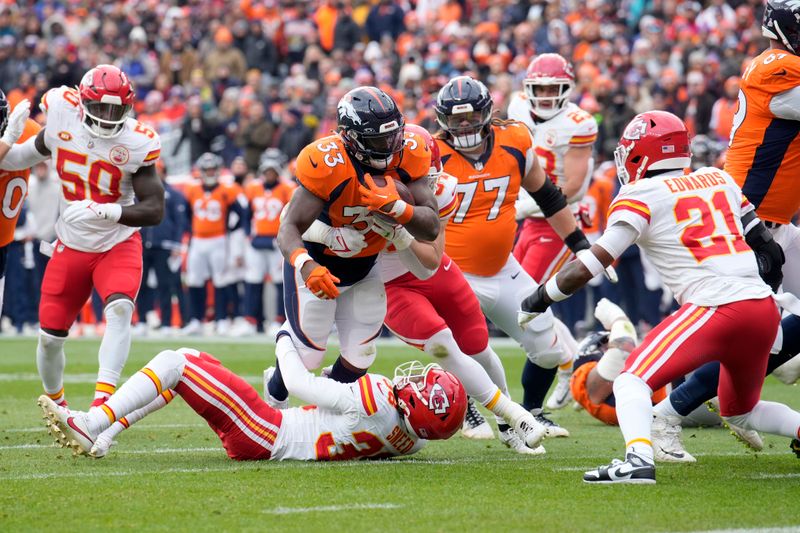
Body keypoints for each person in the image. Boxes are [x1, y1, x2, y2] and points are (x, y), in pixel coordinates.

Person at [519, 111, 800, 484]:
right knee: (739, 412)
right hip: (762, 307)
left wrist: (539, 297)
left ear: (640, 154)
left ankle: (637, 460)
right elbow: (769, 251)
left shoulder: (639, 194)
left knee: (631, 380)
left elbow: (592, 262)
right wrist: (758, 291)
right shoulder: (719, 179)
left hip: (714, 306)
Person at [302, 124, 546, 454]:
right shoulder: (357, 181)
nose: (426, 185)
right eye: (419, 177)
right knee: (443, 348)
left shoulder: (441, 188)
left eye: (428, 177)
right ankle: (512, 414)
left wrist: (400, 231)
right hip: (390, 282)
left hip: (433, 270)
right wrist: (331, 236)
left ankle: (505, 426)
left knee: (478, 346)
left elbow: (428, 262)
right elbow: (298, 221)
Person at [651, 0, 800, 461]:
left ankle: (731, 405)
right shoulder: (777, 65)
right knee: (757, 331)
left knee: (768, 334)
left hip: (777, 225)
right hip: (746, 225)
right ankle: (669, 412)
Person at [434, 75, 607, 438]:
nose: (463, 126)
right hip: (452, 271)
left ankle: (533, 412)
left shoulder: (514, 139)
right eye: (455, 119)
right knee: (467, 344)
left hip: (502, 268)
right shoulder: (431, 155)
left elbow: (548, 196)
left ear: (486, 113)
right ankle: (468, 408)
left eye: (469, 117)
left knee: (546, 344)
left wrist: (579, 246)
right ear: (442, 120)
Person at [0, 65, 164, 410]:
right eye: (101, 108)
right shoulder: (62, 116)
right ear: (83, 102)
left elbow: (154, 209)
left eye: (116, 109)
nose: (108, 117)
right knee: (49, 340)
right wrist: (8, 138)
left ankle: (102, 405)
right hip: (71, 244)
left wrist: (110, 211)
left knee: (119, 309)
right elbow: (18, 159)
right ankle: (57, 405)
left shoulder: (137, 141)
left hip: (116, 241)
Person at [266, 86, 439, 404]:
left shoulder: (410, 154)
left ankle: (325, 408)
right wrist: (308, 264)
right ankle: (273, 396)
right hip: (321, 263)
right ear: (349, 137)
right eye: (377, 140)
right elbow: (288, 227)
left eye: (394, 136)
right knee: (307, 357)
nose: (389, 146)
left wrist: (400, 209)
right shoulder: (326, 160)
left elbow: (430, 228)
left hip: (365, 266)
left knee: (361, 356)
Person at [37, 334, 467, 461]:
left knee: (175, 363)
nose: (416, 378)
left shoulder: (375, 400)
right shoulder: (415, 439)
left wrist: (286, 337)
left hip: (265, 431)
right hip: (275, 433)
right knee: (191, 357)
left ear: (419, 407)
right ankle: (107, 433)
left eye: (423, 387)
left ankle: (93, 421)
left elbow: (300, 383)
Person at [508, 53, 601, 410]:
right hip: (526, 217)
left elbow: (575, 185)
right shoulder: (516, 108)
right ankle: (572, 360)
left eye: (553, 88)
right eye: (540, 88)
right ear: (528, 88)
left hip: (558, 218)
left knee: (529, 297)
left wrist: (532, 201)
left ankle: (570, 363)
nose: (546, 95)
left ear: (566, 88)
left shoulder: (578, 122)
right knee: (519, 295)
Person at [181, 153, 248, 336]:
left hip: (218, 239)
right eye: (206, 169)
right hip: (198, 240)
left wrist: (231, 229)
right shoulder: (192, 190)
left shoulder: (227, 190)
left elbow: (242, 214)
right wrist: (190, 231)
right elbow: (185, 214)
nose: (210, 172)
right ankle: (196, 320)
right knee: (194, 280)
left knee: (221, 280)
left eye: (212, 169)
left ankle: (221, 319)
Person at [239, 149, 296, 336]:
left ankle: (279, 319)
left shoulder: (287, 188)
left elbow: (292, 216)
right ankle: (252, 321)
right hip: (257, 241)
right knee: (253, 280)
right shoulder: (253, 187)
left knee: (280, 282)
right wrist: (248, 234)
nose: (269, 173)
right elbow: (246, 215)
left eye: (273, 170)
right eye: (267, 170)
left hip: (277, 241)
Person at [136, 160, 188, 335]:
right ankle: (141, 320)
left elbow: (180, 222)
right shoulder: (139, 193)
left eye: (159, 170)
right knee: (140, 284)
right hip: (142, 244)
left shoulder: (173, 194)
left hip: (164, 245)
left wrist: (176, 244)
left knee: (165, 285)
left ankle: (166, 322)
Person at [0, 91, 39, 313]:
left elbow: (62, 151)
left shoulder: (24, 129)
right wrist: (9, 138)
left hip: (3, 242)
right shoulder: (15, 131)